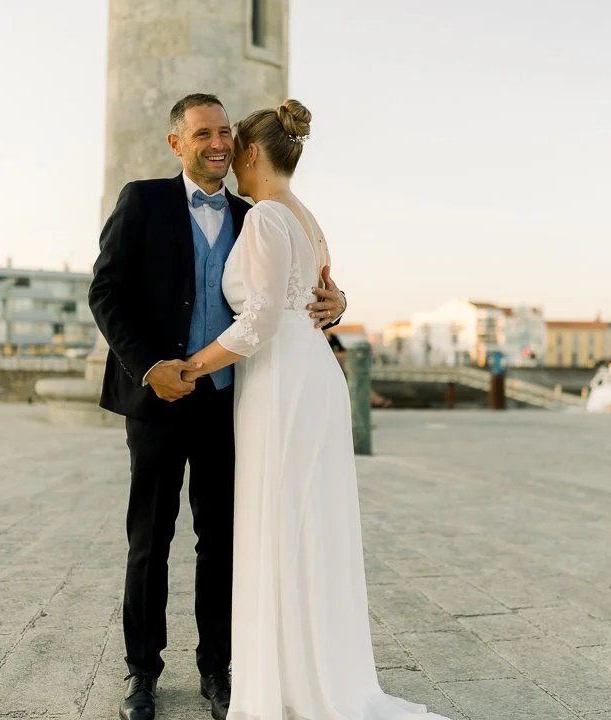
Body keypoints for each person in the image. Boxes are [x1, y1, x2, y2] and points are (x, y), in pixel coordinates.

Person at [182, 100, 448, 720]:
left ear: (251, 153)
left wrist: (191, 366)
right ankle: (314, 666)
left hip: (282, 381)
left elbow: (262, 318)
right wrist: (341, 300)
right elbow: (322, 294)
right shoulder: (308, 218)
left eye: (234, 148)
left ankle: (286, 679)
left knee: (281, 520)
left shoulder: (265, 218)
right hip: (313, 374)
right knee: (310, 523)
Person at [87, 93, 347, 720]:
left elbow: (290, 294)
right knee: (148, 542)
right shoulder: (141, 201)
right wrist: (150, 366)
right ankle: (142, 673)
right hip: (155, 399)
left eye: (226, 132)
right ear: (176, 142)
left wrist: (336, 303)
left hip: (228, 404)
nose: (217, 143)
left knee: (220, 543)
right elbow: (105, 291)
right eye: (203, 132)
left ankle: (217, 670)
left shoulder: (254, 210)